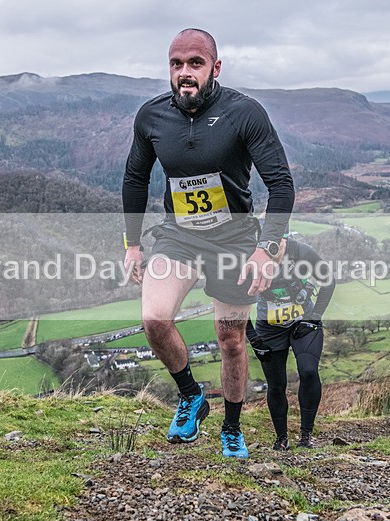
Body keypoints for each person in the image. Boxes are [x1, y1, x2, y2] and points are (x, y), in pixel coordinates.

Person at [122, 28, 294, 458]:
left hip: (234, 239)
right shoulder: (151, 117)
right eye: (176, 64)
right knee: (155, 318)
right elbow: (135, 179)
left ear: (215, 68)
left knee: (231, 339)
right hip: (178, 236)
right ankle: (191, 395)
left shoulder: (244, 113)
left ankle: (231, 427)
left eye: (195, 63)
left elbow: (281, 185)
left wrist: (266, 247)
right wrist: (132, 244)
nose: (185, 72)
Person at [245, 233, 335, 450]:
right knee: (276, 385)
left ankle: (306, 436)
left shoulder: (300, 251)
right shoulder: (250, 257)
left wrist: (314, 317)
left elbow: (328, 280)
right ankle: (281, 439)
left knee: (309, 372)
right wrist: (252, 336)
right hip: (269, 328)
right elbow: (233, 300)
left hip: (303, 321)